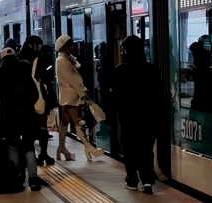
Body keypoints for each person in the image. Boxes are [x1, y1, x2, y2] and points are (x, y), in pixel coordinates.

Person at [111, 36, 162, 193]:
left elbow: (115, 97)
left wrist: (114, 114)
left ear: (125, 50)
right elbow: (158, 96)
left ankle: (132, 180)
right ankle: (147, 181)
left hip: (128, 118)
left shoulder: (120, 70)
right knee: (146, 149)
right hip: (148, 117)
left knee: (130, 149)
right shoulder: (152, 69)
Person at [0, 48, 43, 190]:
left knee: (13, 148)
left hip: (9, 118)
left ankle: (16, 179)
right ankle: (33, 179)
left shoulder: (0, 73)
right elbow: (35, 94)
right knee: (29, 148)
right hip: (28, 116)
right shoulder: (25, 70)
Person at [55, 35, 104, 161]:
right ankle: (88, 146)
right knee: (77, 121)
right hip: (70, 95)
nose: (72, 47)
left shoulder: (65, 59)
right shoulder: (62, 60)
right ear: (64, 47)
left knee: (65, 121)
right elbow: (73, 79)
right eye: (70, 45)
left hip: (68, 95)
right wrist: (83, 93)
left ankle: (61, 148)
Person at [20, 35, 56, 166]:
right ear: (32, 44)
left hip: (24, 98)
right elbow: (45, 77)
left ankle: (29, 154)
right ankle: (43, 154)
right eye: (39, 44)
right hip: (38, 96)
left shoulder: (20, 58)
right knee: (42, 125)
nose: (40, 46)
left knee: (28, 127)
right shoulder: (39, 59)